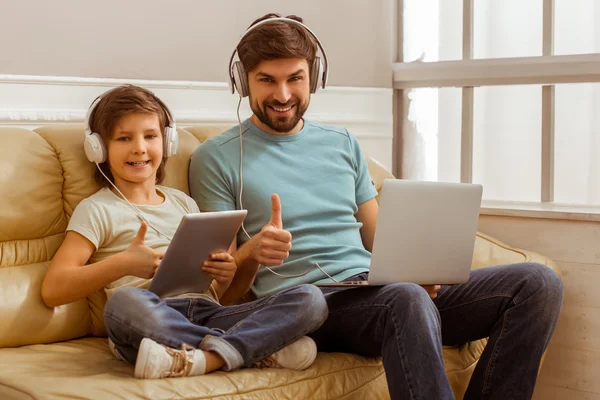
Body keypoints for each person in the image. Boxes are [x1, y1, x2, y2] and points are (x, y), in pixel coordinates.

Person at [189, 13, 564, 399]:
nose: (283, 95)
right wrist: (252, 253)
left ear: (314, 78)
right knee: (404, 298)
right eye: (267, 80)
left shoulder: (342, 142)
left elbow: (379, 239)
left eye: (295, 78)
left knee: (537, 284)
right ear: (242, 80)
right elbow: (224, 295)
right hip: (312, 307)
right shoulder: (215, 158)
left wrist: (415, 270)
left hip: (380, 292)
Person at [41, 84, 327, 380]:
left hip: (209, 313)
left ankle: (206, 357)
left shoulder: (184, 203)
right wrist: (123, 265)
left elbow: (222, 297)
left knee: (310, 299)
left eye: (150, 136)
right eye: (124, 138)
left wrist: (229, 270)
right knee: (122, 303)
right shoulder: (97, 209)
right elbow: (53, 290)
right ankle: (248, 348)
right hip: (149, 317)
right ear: (98, 148)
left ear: (167, 141)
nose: (139, 147)